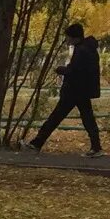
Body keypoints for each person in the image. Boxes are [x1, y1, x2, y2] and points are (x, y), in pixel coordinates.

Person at [30, 22, 101, 156]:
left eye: (68, 37)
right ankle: (96, 147)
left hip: (74, 91)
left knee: (55, 117)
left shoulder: (81, 51)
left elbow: (75, 71)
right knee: (87, 119)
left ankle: (36, 143)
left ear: (74, 37)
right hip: (82, 91)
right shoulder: (89, 49)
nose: (67, 40)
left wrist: (60, 69)